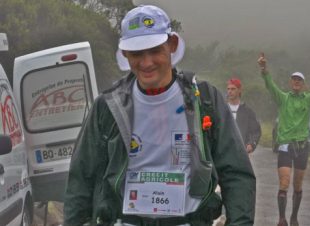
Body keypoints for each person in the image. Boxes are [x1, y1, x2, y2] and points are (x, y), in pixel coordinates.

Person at [63, 5, 256, 226]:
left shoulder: (204, 100)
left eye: (155, 50)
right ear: (125, 54)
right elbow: (81, 179)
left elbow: (237, 174)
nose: (146, 63)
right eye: (137, 53)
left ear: (171, 45)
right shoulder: (108, 107)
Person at [257, 53, 310, 226]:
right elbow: (270, 85)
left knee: (298, 184)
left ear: (303, 84)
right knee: (284, 181)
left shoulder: (309, 100)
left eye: (299, 80)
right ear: (290, 82)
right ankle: (282, 219)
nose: (296, 82)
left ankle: (294, 217)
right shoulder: (283, 98)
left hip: (302, 146)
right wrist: (264, 69)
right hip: (286, 145)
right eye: (294, 79)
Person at [226, 78, 261, 153]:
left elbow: (256, 131)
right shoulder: (222, 109)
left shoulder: (247, 112)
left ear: (239, 90)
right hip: (224, 153)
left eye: (233, 89)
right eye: (228, 89)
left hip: (242, 153)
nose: (230, 91)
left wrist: (251, 144)